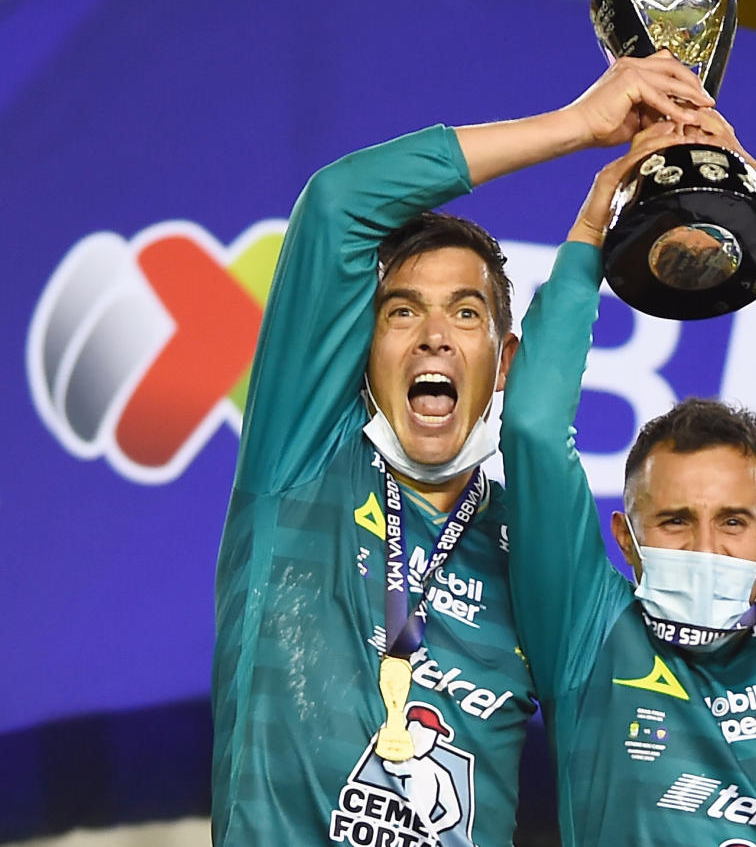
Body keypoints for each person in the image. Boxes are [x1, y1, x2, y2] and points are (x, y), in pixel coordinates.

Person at [210, 52, 715, 845]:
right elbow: (339, 203)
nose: (435, 336)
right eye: (402, 313)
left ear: (504, 360)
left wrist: (595, 232)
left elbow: (640, 739)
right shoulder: (302, 463)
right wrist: (578, 127)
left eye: (466, 314)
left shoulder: (532, 546)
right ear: (365, 351)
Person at [500, 114, 756, 845]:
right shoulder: (586, 633)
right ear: (625, 535)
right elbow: (532, 429)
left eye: (732, 521)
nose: (705, 546)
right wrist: (592, 236)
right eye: (674, 520)